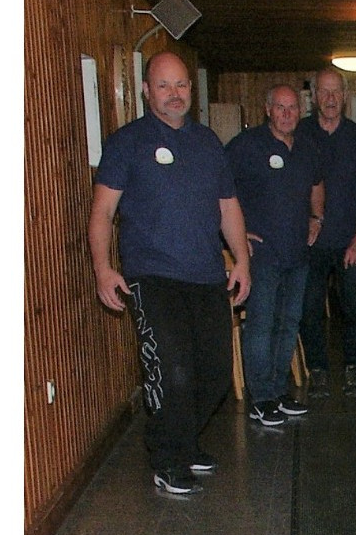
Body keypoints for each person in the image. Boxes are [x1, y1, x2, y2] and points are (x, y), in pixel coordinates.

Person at [89, 51, 251, 495]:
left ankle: (183, 440)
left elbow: (228, 207)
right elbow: (103, 212)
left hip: (205, 275)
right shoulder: (127, 143)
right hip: (152, 275)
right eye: (164, 85)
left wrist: (242, 261)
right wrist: (104, 269)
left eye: (181, 85)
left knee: (215, 374)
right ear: (145, 90)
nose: (174, 93)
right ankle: (168, 458)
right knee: (173, 370)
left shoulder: (208, 143)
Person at [226, 84, 325, 426]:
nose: (287, 114)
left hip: (297, 253)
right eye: (280, 107)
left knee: (288, 324)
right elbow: (219, 190)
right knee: (261, 326)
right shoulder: (246, 146)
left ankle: (278, 390)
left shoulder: (307, 148)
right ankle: (261, 398)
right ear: (267, 109)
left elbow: (317, 185)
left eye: (293, 108)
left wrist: (316, 217)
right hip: (262, 256)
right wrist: (235, 237)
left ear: (301, 111)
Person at [297, 68, 356, 398]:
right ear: (315, 96)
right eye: (324, 92)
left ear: (344, 97)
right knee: (309, 308)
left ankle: (353, 367)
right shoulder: (299, 134)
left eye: (336, 92)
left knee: (353, 308)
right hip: (310, 244)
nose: (330, 98)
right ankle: (317, 368)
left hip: (351, 243)